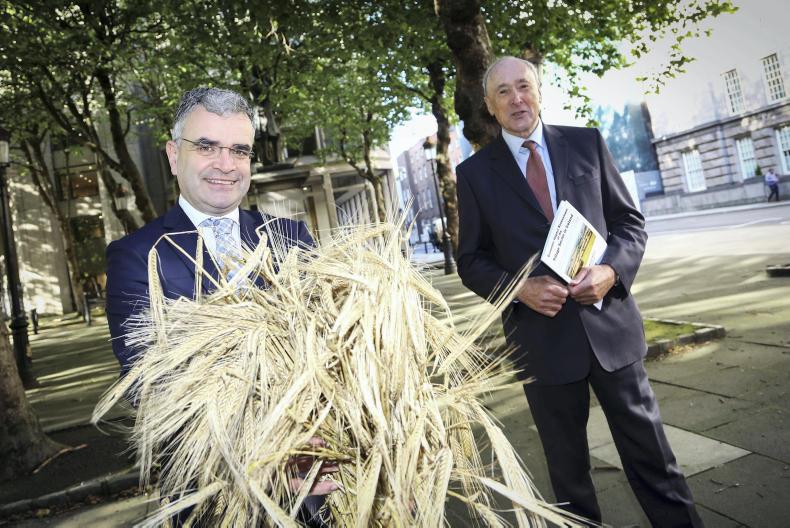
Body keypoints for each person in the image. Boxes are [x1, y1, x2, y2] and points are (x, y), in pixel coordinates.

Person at [455, 57, 703, 526]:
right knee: (569, 482)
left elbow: (629, 224)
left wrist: (611, 271)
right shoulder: (474, 174)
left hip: (611, 332)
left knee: (655, 462)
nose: (517, 99)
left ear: (539, 91)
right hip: (542, 344)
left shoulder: (586, 143)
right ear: (489, 105)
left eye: (524, 86)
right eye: (503, 92)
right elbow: (470, 261)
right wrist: (519, 288)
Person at [104, 87, 331, 526]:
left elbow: (337, 346)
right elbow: (147, 384)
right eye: (206, 146)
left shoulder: (291, 238)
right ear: (174, 156)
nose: (226, 164)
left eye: (239, 150)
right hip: (213, 499)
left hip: (318, 495)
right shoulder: (138, 256)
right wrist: (267, 453)